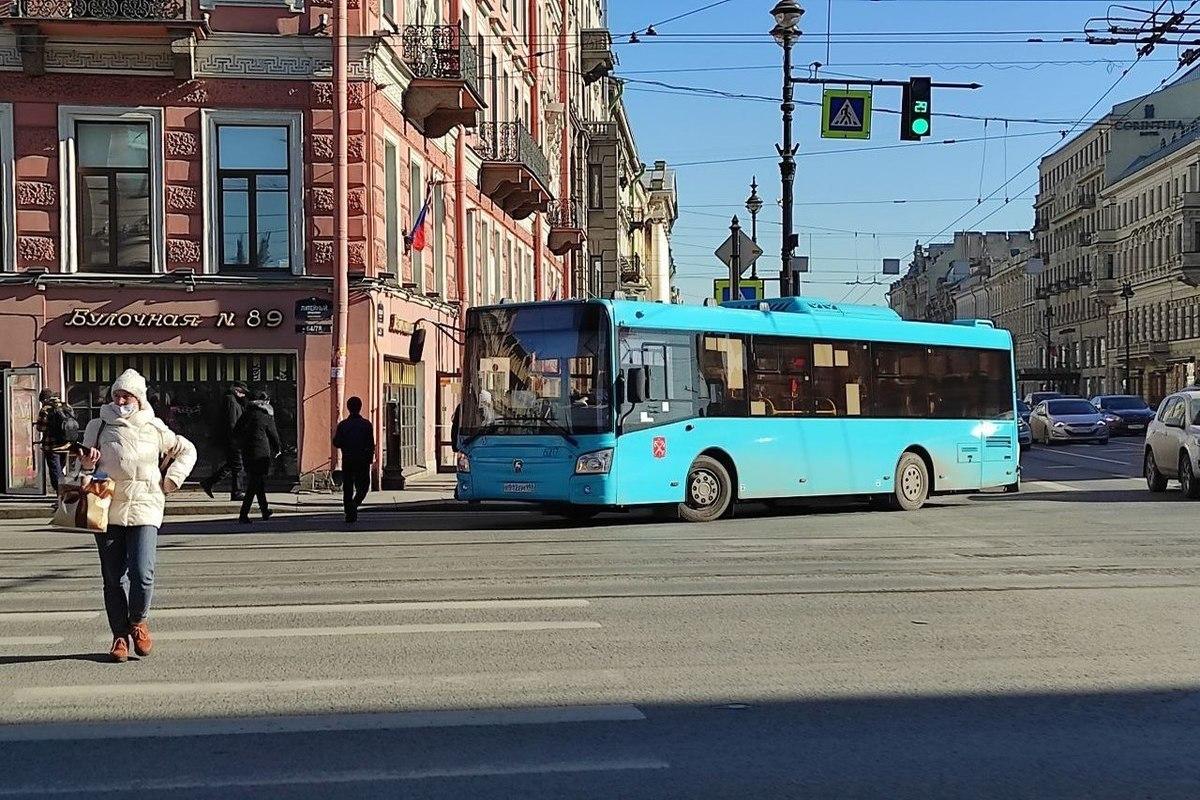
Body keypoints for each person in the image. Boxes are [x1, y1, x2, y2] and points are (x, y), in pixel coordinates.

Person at [78, 369, 196, 663]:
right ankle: (119, 636)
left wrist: (171, 481)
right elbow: (80, 470)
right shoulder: (98, 425)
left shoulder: (154, 427)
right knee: (113, 578)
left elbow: (187, 451)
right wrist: (85, 465)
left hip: (145, 506)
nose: (120, 400)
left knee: (143, 574)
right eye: (116, 395)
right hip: (106, 508)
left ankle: (138, 621)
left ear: (139, 398)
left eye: (126, 395)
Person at [232, 390, 281, 524]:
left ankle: (265, 510)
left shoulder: (245, 415)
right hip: (261, 453)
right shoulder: (265, 416)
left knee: (258, 482)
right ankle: (243, 513)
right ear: (263, 402)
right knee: (254, 484)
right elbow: (273, 434)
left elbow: (235, 432)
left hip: (247, 453)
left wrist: (241, 444)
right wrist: (277, 449)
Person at [199, 383, 247, 501]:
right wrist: (235, 437)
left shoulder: (233, 400)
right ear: (236, 390)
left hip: (231, 438)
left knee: (232, 464)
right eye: (242, 391)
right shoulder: (230, 400)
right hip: (232, 439)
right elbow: (232, 421)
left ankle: (208, 482)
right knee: (238, 465)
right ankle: (237, 492)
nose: (244, 394)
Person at [333, 396, 374, 524]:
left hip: (348, 459)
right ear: (360, 407)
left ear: (348, 408)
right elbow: (370, 443)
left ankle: (349, 510)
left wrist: (346, 444)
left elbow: (336, 442)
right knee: (363, 486)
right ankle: (354, 506)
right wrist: (369, 458)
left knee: (348, 487)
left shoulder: (343, 425)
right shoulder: (366, 424)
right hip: (362, 459)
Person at [35, 389, 78, 496]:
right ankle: (64, 491)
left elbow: (41, 427)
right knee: (60, 469)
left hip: (51, 445)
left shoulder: (45, 409)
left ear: (44, 399)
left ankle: (61, 494)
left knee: (55, 471)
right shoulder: (66, 406)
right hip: (66, 444)